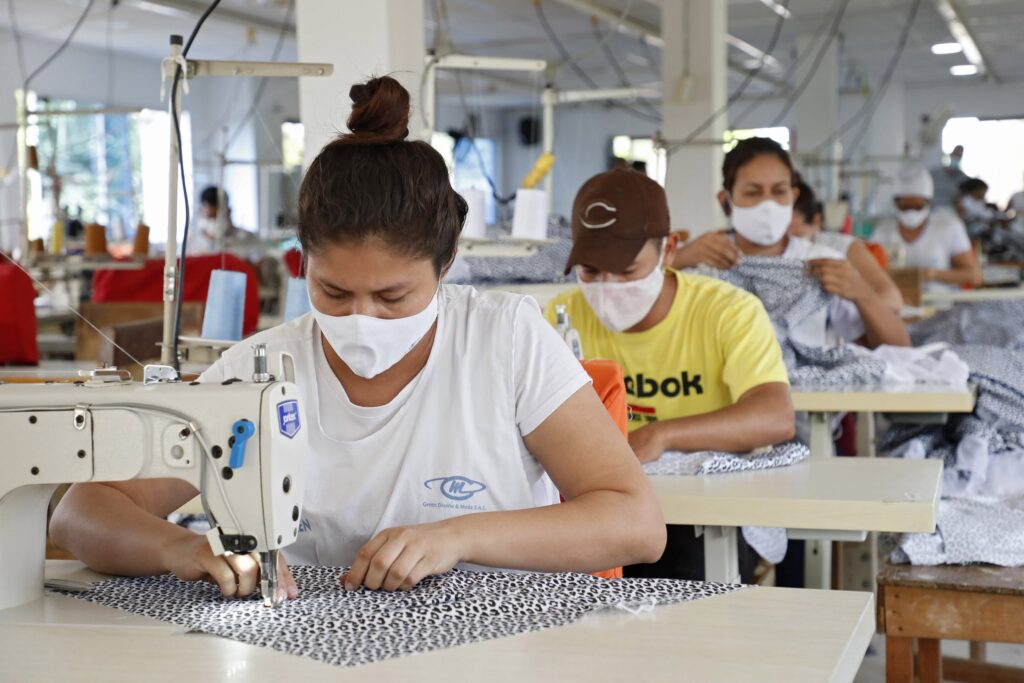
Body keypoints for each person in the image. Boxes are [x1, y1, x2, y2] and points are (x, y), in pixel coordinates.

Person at [50, 76, 666, 598]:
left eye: (393, 297)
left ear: (446, 265)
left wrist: (459, 536)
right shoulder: (261, 367)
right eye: (334, 293)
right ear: (303, 264)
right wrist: (181, 549)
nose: (361, 318)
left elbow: (636, 522)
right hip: (317, 646)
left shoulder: (504, 340)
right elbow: (82, 510)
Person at [546, 167, 794, 580]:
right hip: (601, 505)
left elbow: (775, 415)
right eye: (591, 271)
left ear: (670, 250)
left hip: (700, 516)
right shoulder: (559, 316)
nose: (607, 287)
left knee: (679, 578)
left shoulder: (727, 311)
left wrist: (661, 435)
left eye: (626, 271)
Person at [675, 137, 910, 349]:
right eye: (752, 192)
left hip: (807, 396)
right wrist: (679, 259)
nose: (768, 204)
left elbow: (898, 348)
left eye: (779, 191)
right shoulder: (702, 262)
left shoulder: (821, 263)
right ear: (725, 200)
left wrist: (862, 293)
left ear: (793, 197)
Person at [789, 179, 903, 312]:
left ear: (816, 220)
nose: (792, 246)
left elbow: (893, 299)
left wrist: (856, 301)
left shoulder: (840, 248)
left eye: (797, 237)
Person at [872, 164, 982, 290]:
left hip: (940, 306)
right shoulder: (882, 232)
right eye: (905, 206)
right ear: (896, 203)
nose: (911, 212)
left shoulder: (948, 227)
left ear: (928, 202)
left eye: (917, 206)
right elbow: (867, 272)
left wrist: (933, 275)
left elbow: (974, 276)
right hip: (893, 306)